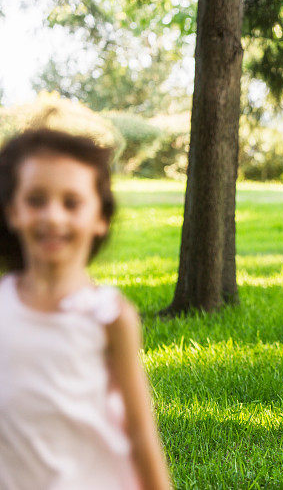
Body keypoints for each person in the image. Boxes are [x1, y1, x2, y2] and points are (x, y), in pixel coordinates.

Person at [0, 129, 171, 489]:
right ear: (12, 212)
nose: (53, 217)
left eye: (71, 203)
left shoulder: (108, 316)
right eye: (36, 200)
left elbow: (141, 432)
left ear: (100, 218)